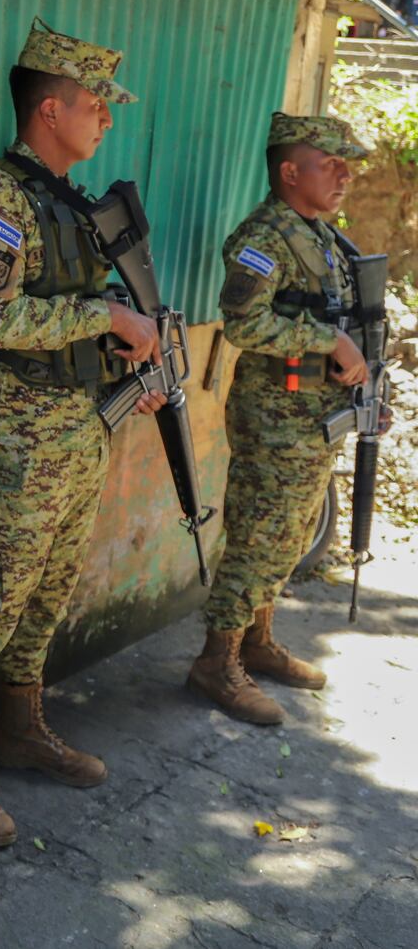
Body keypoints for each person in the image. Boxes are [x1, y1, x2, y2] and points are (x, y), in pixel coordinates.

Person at [0, 18, 166, 848]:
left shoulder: (77, 205)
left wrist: (123, 363)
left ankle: (19, 724)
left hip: (82, 427)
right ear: (50, 109)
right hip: (21, 439)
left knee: (52, 583)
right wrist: (104, 312)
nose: (106, 120)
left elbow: (67, 320)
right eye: (96, 106)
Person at [186, 113, 373, 725]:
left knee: (289, 539)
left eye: (347, 164)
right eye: (330, 163)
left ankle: (257, 642)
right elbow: (243, 323)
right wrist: (326, 342)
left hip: (314, 419)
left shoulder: (318, 233)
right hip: (275, 420)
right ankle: (217, 662)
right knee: (259, 541)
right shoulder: (264, 238)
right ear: (290, 171)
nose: (344, 175)